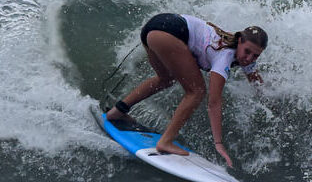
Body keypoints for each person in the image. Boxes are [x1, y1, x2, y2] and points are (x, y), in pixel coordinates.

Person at [105, 13, 268, 168]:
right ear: (239, 40)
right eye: (247, 51)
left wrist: (269, 103)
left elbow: (257, 83)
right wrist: (218, 143)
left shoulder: (239, 51)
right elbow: (214, 102)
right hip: (168, 32)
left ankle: (117, 112)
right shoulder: (225, 55)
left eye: (255, 56)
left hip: (154, 27)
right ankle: (165, 142)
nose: (249, 58)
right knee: (197, 92)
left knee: (165, 79)